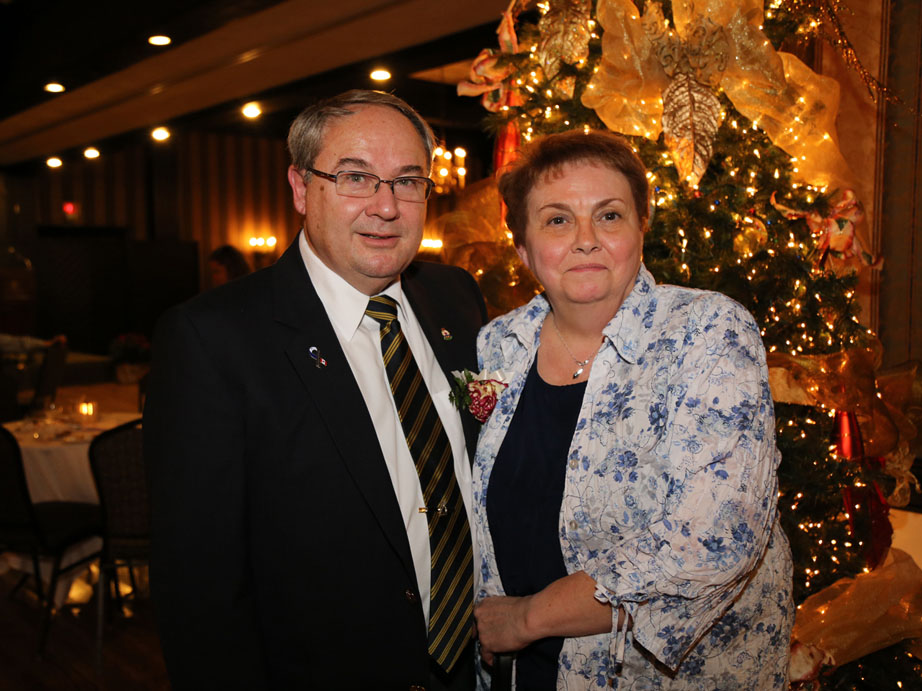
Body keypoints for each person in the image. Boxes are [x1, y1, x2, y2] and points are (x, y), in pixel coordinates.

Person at [144, 90, 486, 690]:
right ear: (301, 189)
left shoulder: (456, 296)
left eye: (408, 181)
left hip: (477, 668)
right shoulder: (213, 338)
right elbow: (199, 588)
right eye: (356, 178)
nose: (387, 207)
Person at [471, 131, 793, 689]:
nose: (586, 240)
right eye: (556, 220)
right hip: (525, 674)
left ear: (642, 229)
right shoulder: (500, 344)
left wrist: (526, 620)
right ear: (522, 247)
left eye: (610, 216)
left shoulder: (708, 331)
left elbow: (716, 536)